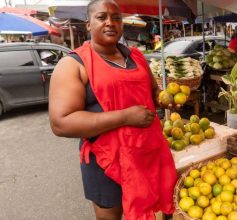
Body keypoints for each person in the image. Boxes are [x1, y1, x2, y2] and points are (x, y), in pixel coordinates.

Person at [48, 0, 177, 220]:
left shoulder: (136, 57)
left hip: (145, 153)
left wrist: (162, 99)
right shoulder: (73, 64)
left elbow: (152, 92)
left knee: (149, 206)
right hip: (106, 162)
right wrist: (126, 117)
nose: (110, 23)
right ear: (88, 24)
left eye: (116, 18)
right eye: (102, 17)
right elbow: (61, 123)